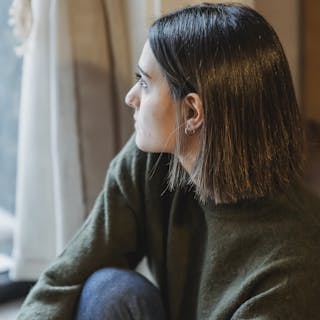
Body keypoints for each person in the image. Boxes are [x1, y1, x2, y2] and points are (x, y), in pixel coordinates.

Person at [16, 3, 320, 320]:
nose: (130, 97)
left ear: (191, 112)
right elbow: (67, 278)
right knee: (111, 291)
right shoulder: (152, 160)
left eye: (145, 83)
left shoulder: (292, 269)